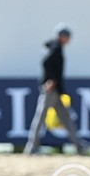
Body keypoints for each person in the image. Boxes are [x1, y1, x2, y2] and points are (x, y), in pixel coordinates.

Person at [25, 24, 83, 155]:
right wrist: (50, 80)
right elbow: (46, 62)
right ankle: (31, 147)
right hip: (51, 89)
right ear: (62, 36)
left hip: (55, 90)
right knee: (41, 117)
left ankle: (79, 146)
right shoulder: (55, 47)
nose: (69, 39)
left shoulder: (53, 46)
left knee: (66, 118)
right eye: (67, 37)